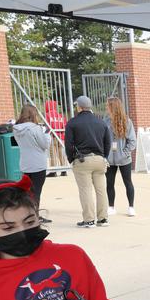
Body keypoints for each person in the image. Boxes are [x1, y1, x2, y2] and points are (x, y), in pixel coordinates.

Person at [64, 96, 111, 228]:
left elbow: (68, 144)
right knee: (101, 190)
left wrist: (71, 159)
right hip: (100, 159)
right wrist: (104, 157)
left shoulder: (73, 123)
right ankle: (103, 219)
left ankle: (89, 220)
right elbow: (107, 142)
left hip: (82, 160)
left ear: (79, 107)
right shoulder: (101, 122)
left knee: (86, 190)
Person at [12, 104, 53, 223]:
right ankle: (35, 217)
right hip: (38, 164)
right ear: (33, 114)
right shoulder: (35, 128)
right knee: (37, 192)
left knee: (28, 191)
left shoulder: (16, 129)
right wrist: (47, 134)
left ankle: (28, 216)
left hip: (25, 163)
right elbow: (44, 145)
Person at [105, 97, 137, 217]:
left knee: (128, 182)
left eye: (108, 106)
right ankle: (111, 206)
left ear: (113, 107)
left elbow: (132, 141)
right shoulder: (106, 121)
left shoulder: (127, 121)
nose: (106, 108)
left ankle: (131, 207)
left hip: (124, 159)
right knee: (109, 183)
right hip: (109, 159)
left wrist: (124, 153)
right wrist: (105, 155)